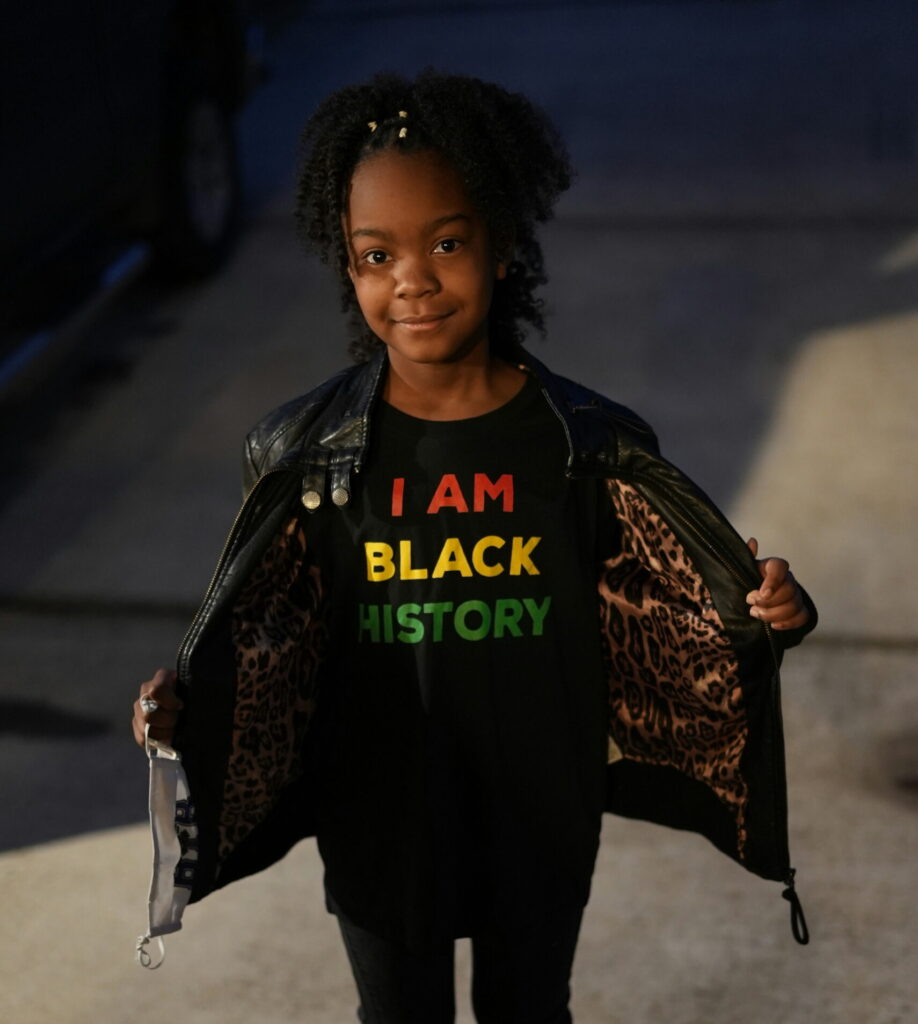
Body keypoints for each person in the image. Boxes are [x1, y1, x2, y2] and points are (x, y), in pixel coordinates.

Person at [132, 71, 815, 1022]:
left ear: (503, 247)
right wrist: (183, 705)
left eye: (445, 243)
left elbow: (671, 607)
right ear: (348, 265)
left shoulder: (588, 444)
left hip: (539, 810)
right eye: (375, 254)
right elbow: (268, 626)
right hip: (376, 815)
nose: (411, 279)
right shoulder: (301, 454)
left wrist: (771, 609)